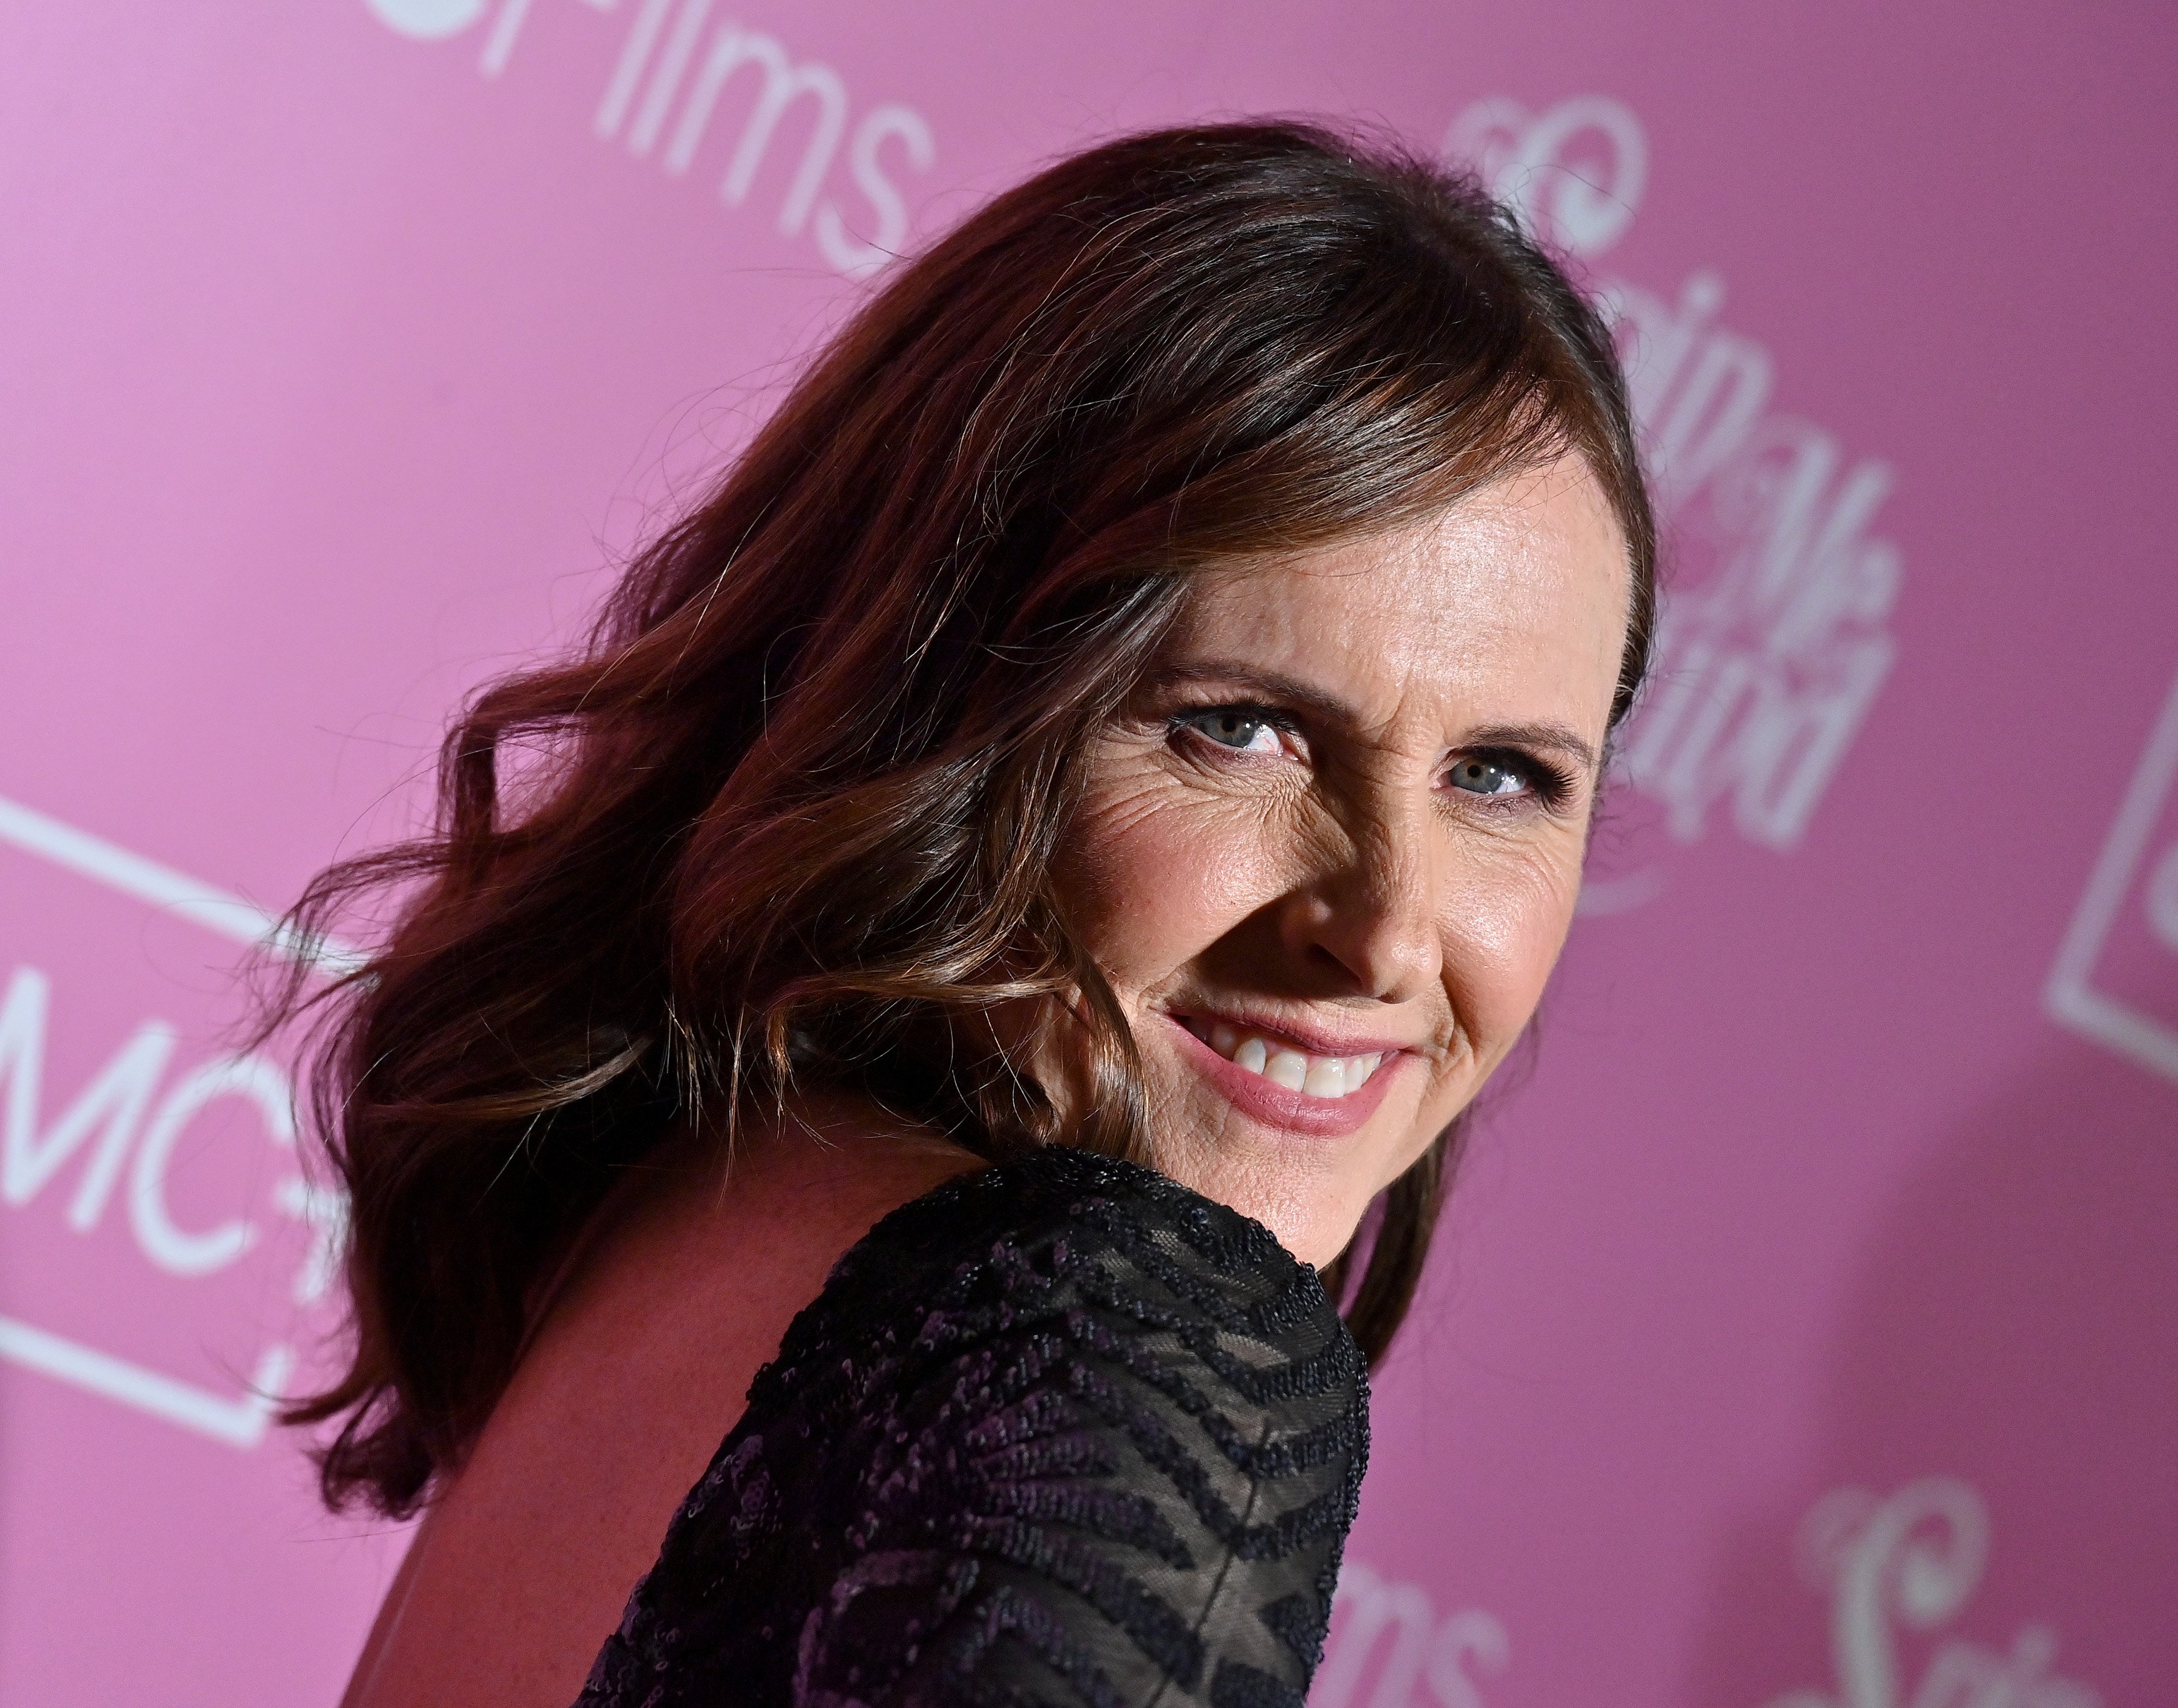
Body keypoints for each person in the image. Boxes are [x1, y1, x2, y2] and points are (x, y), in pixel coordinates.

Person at [281, 119, 1657, 1707]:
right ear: (942, 704)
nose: (1386, 932)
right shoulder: (1092, 1351)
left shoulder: (696, 1209)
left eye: (1498, 777)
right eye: (1239, 728)